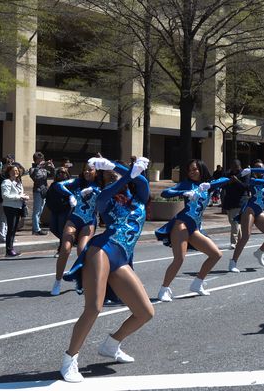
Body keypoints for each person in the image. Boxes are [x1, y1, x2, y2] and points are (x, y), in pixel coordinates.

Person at [60, 157, 153, 383]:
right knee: (94, 307)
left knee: (145, 312)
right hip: (101, 250)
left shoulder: (140, 198)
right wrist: (123, 174)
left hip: (121, 259)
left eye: (116, 175)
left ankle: (111, 345)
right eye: (108, 175)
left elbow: (141, 182)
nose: (112, 177)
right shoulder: (104, 198)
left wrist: (118, 168)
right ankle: (69, 360)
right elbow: (106, 195)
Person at [155, 159, 229, 301]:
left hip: (194, 228)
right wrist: (185, 192)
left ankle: (197, 283)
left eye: (195, 169)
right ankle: (164, 289)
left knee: (216, 254)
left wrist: (208, 185)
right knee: (179, 259)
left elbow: (225, 179)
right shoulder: (186, 184)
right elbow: (165, 192)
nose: (192, 172)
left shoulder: (206, 186)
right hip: (181, 224)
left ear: (201, 169)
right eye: (190, 170)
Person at [51, 163, 104, 296]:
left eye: (90, 170)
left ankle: (82, 281)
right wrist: (70, 195)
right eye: (84, 169)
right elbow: (58, 185)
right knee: (65, 248)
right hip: (74, 218)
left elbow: (109, 193)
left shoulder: (101, 184)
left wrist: (95, 191)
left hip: (89, 221)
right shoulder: (78, 182)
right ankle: (57, 281)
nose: (86, 172)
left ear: (97, 172)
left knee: (82, 250)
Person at [227, 162, 264, 272]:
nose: (258, 170)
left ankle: (259, 252)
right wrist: (252, 171)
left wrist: (252, 168)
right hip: (250, 209)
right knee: (245, 236)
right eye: (256, 168)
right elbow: (257, 181)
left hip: (259, 211)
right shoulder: (252, 180)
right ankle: (233, 262)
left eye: (260, 168)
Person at [0, 164, 29, 257]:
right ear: (8, 172)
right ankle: (9, 250)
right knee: (11, 229)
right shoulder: (6, 182)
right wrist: (19, 197)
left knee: (14, 229)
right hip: (10, 207)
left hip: (18, 207)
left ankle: (11, 248)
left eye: (17, 171)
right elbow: (5, 196)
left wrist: (24, 196)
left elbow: (20, 193)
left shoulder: (18, 182)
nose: (15, 172)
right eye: (13, 170)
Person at [46, 168, 74, 242]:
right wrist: (50, 206)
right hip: (54, 210)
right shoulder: (54, 185)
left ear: (67, 174)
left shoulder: (69, 185)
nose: (61, 174)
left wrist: (66, 205)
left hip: (65, 210)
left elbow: (72, 197)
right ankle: (67, 240)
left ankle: (62, 244)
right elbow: (48, 196)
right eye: (59, 173)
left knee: (62, 228)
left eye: (63, 172)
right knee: (53, 228)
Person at [28, 152, 53, 236]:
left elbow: (52, 175)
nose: (42, 160)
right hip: (37, 191)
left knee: (40, 211)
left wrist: (52, 166)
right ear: (36, 160)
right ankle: (36, 229)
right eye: (40, 159)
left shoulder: (44, 169)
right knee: (36, 211)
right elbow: (34, 177)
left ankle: (36, 227)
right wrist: (39, 166)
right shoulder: (32, 169)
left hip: (44, 191)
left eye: (42, 159)